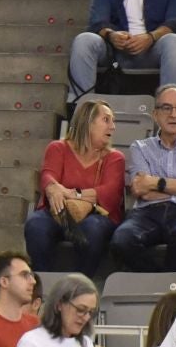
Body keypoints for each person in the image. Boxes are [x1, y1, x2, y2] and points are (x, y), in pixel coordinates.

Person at [109, 86, 176, 273]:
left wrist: (156, 183)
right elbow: (141, 190)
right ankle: (158, 279)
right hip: (146, 213)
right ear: (155, 115)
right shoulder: (140, 147)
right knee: (122, 240)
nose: (174, 114)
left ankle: (169, 279)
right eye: (166, 108)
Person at [24, 99, 124, 276]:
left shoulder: (115, 158)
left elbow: (110, 192)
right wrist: (53, 188)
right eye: (106, 120)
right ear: (87, 122)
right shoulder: (58, 148)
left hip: (96, 215)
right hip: (59, 211)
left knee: (92, 229)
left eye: (113, 121)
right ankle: (42, 282)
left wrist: (72, 194)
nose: (113, 127)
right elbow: (48, 176)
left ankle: (80, 283)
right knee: (36, 225)